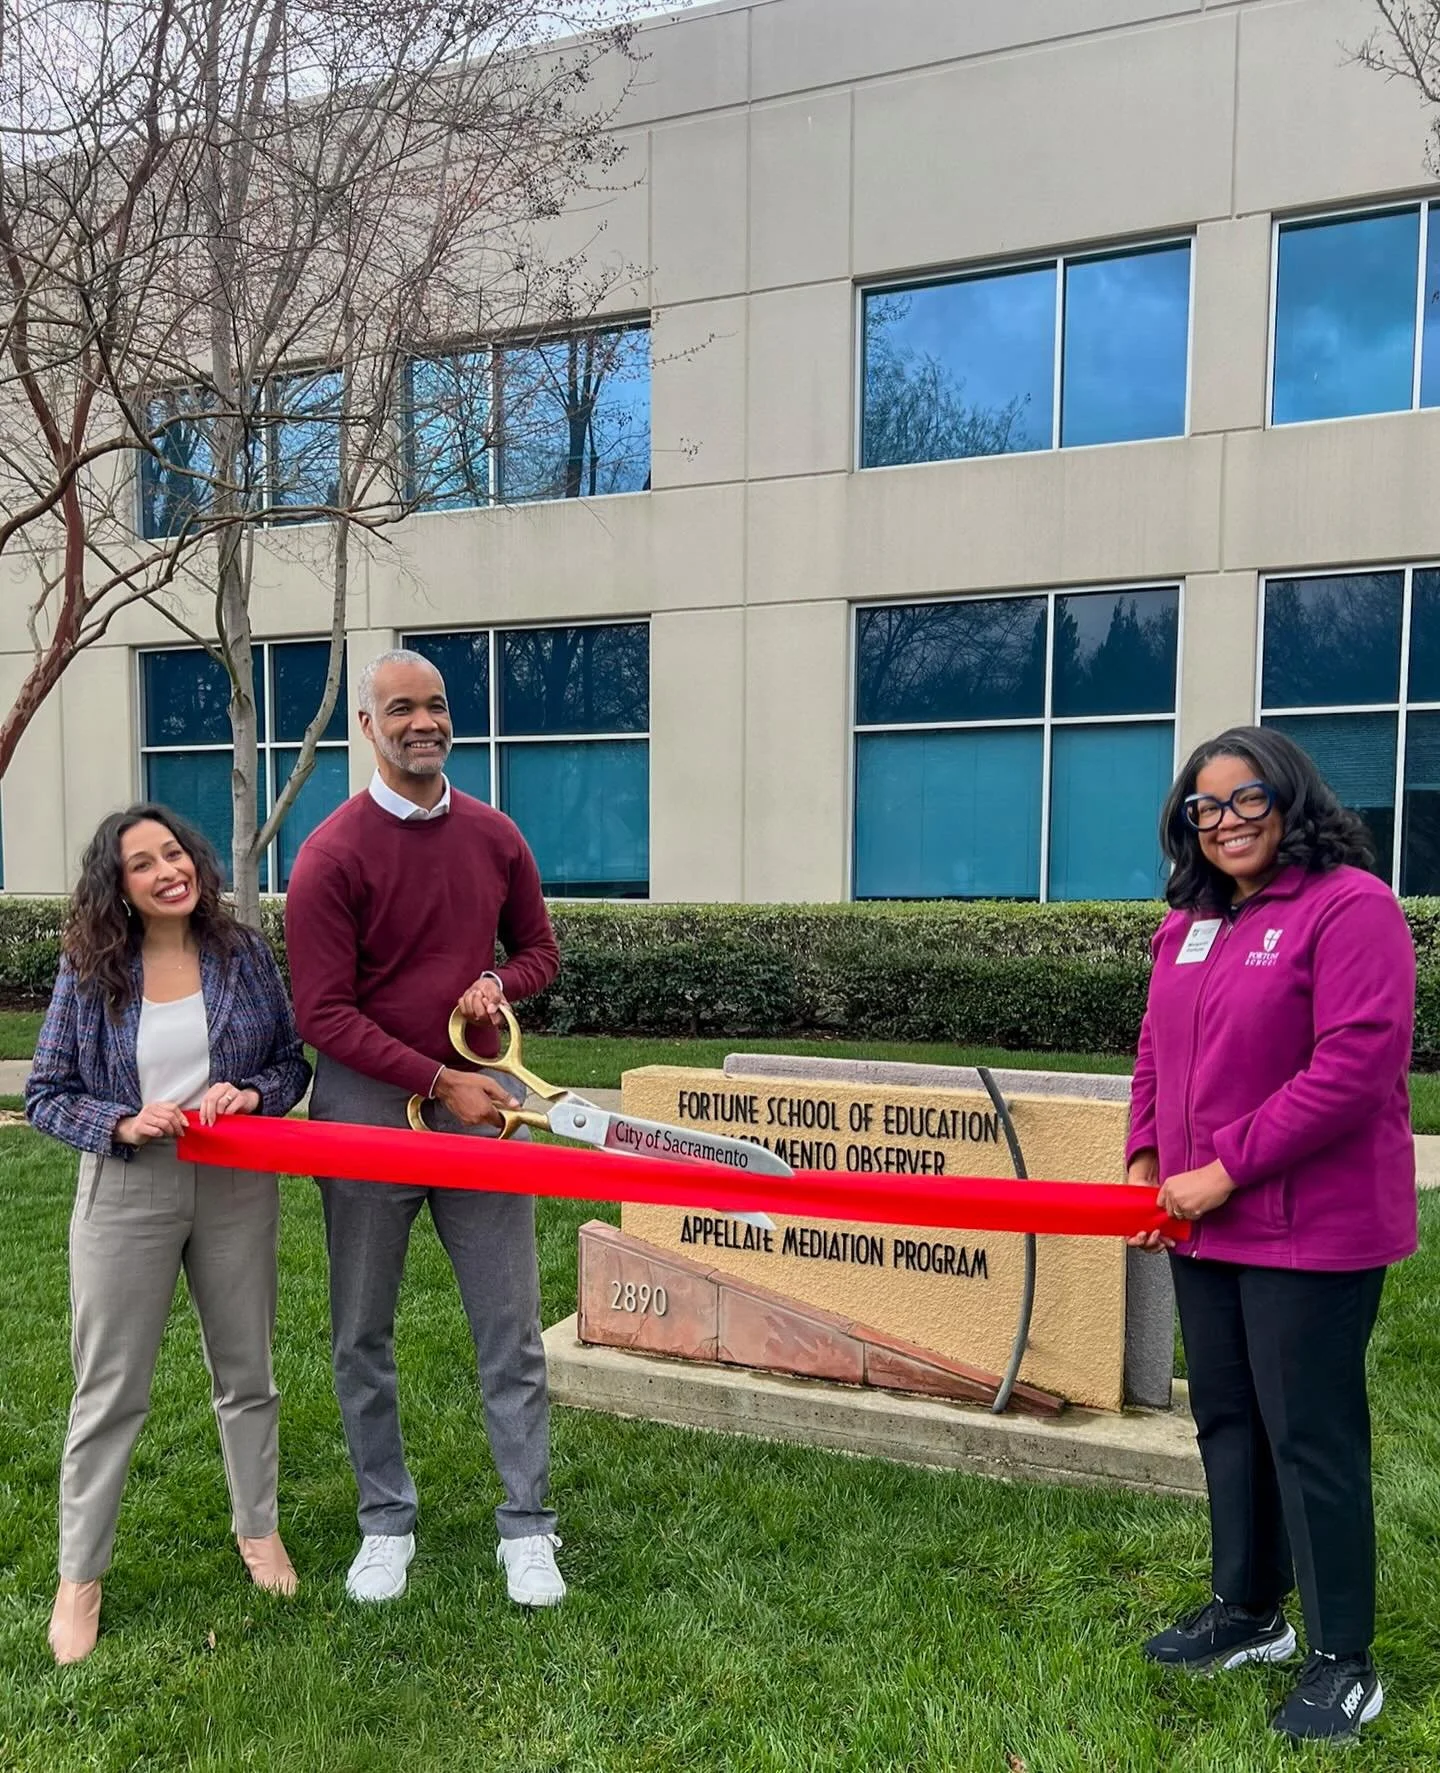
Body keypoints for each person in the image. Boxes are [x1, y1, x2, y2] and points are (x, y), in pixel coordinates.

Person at [1126, 726, 1416, 1745]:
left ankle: (1345, 1658)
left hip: (1313, 1230)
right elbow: (1156, 1053)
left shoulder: (1351, 908)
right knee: (1231, 1425)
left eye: (1245, 799)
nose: (1226, 822)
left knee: (1311, 1438)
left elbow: (1357, 1066)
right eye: (1204, 809)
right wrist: (1145, 1159)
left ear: (1289, 799)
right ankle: (1250, 1613)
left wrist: (1223, 1166)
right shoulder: (1189, 923)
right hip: (1206, 1222)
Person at [284, 649, 563, 1609]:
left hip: (479, 1101)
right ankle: (385, 1522)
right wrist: (438, 1077)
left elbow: (538, 950)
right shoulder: (329, 853)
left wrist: (502, 982)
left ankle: (527, 1526)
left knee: (511, 1327)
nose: (422, 722)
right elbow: (323, 1015)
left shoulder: (495, 836)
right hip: (366, 1108)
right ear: (368, 726)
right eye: (400, 708)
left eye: (436, 705)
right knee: (362, 1329)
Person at [25, 804, 312, 1665]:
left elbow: (291, 1061)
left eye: (173, 851)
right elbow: (45, 1092)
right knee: (110, 1390)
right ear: (119, 885)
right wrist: (119, 1119)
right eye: (142, 863)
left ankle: (258, 1531)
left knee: (247, 1371)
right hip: (127, 1186)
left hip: (234, 1183)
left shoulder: (242, 952)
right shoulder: (90, 966)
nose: (167, 869)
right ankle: (80, 1577)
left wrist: (253, 1094)